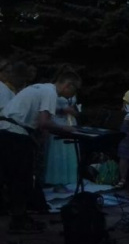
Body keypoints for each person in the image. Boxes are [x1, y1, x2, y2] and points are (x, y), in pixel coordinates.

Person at [0, 70, 81, 234]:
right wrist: (65, 129)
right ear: (68, 85)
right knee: (21, 178)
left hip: (5, 130)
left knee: (11, 177)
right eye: (74, 90)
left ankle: (19, 216)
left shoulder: (40, 87)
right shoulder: (51, 93)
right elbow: (44, 122)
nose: (72, 95)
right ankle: (19, 220)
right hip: (15, 135)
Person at [44, 93, 80, 193]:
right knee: (58, 153)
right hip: (58, 122)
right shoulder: (52, 93)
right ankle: (56, 182)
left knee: (70, 153)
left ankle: (68, 180)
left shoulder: (72, 94)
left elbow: (75, 108)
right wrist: (62, 110)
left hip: (71, 122)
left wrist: (74, 112)